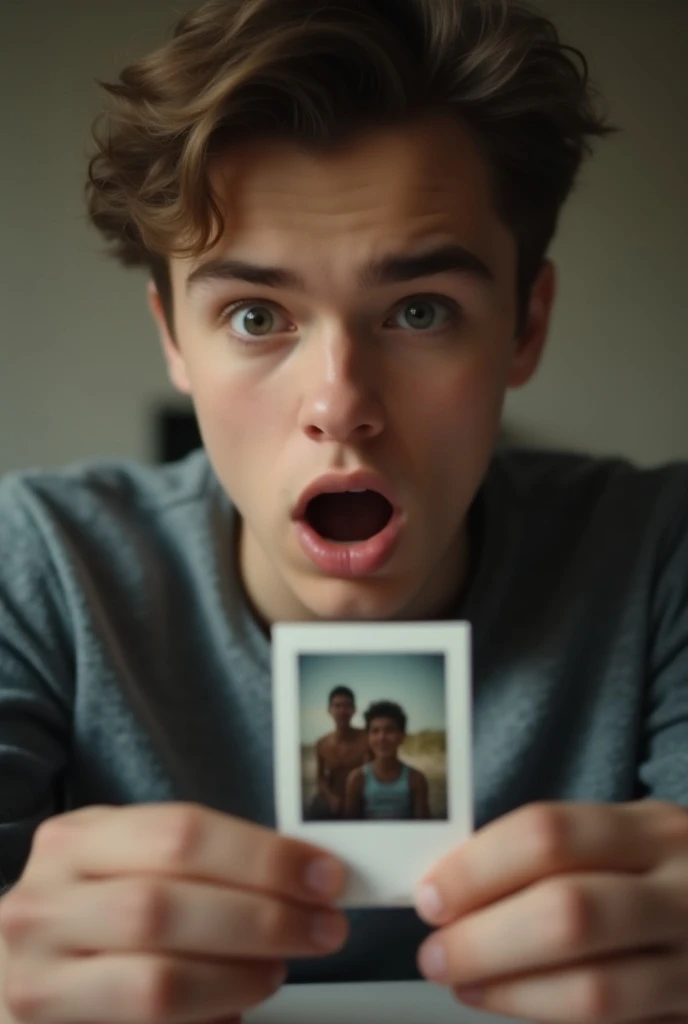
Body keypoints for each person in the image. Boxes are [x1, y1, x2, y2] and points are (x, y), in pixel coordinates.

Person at [0, 0, 687, 1021]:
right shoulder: (40, 565)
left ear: (523, 326)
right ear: (175, 342)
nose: (340, 407)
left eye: (418, 311)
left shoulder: (659, 556)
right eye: (255, 316)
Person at [345, 701, 430, 820]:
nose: (382, 737)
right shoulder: (357, 779)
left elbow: (423, 827)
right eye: (375, 731)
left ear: (401, 736)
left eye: (389, 730)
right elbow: (350, 827)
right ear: (368, 737)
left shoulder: (416, 779)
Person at [307, 686, 370, 820]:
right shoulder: (322, 744)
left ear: (354, 710)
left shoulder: (367, 739)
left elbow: (377, 773)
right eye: (337, 706)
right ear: (329, 710)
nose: (342, 711)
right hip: (334, 797)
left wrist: (355, 800)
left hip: (362, 798)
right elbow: (320, 778)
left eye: (347, 706)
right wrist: (331, 799)